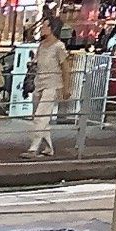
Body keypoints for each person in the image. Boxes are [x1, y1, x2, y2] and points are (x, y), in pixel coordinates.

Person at [26, 16, 72, 157]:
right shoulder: (42, 45)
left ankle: (33, 148)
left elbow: (65, 68)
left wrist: (66, 88)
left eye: (45, 26)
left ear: (53, 29)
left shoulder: (59, 46)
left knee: (41, 116)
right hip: (39, 83)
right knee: (40, 116)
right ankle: (49, 147)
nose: (42, 28)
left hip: (52, 84)